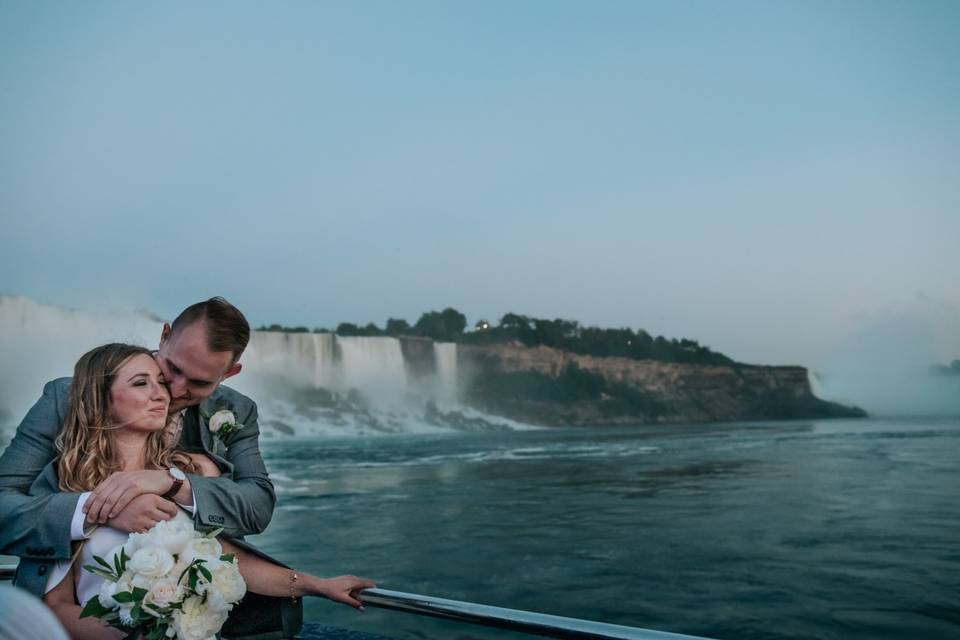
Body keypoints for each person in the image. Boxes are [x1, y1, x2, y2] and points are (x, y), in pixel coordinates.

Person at [0, 298, 294, 636]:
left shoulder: (236, 411)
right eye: (174, 369)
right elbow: (3, 504)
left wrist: (170, 482)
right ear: (164, 335)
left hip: (193, 613)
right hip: (70, 612)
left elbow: (257, 507)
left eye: (199, 383)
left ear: (229, 373)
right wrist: (101, 510)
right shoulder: (70, 397)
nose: (176, 391)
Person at [39, 343, 375, 639]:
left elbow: (230, 558)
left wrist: (319, 585)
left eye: (160, 381)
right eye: (141, 383)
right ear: (100, 397)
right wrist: (127, 634)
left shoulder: (187, 476)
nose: (162, 393)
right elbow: (55, 606)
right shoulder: (70, 485)